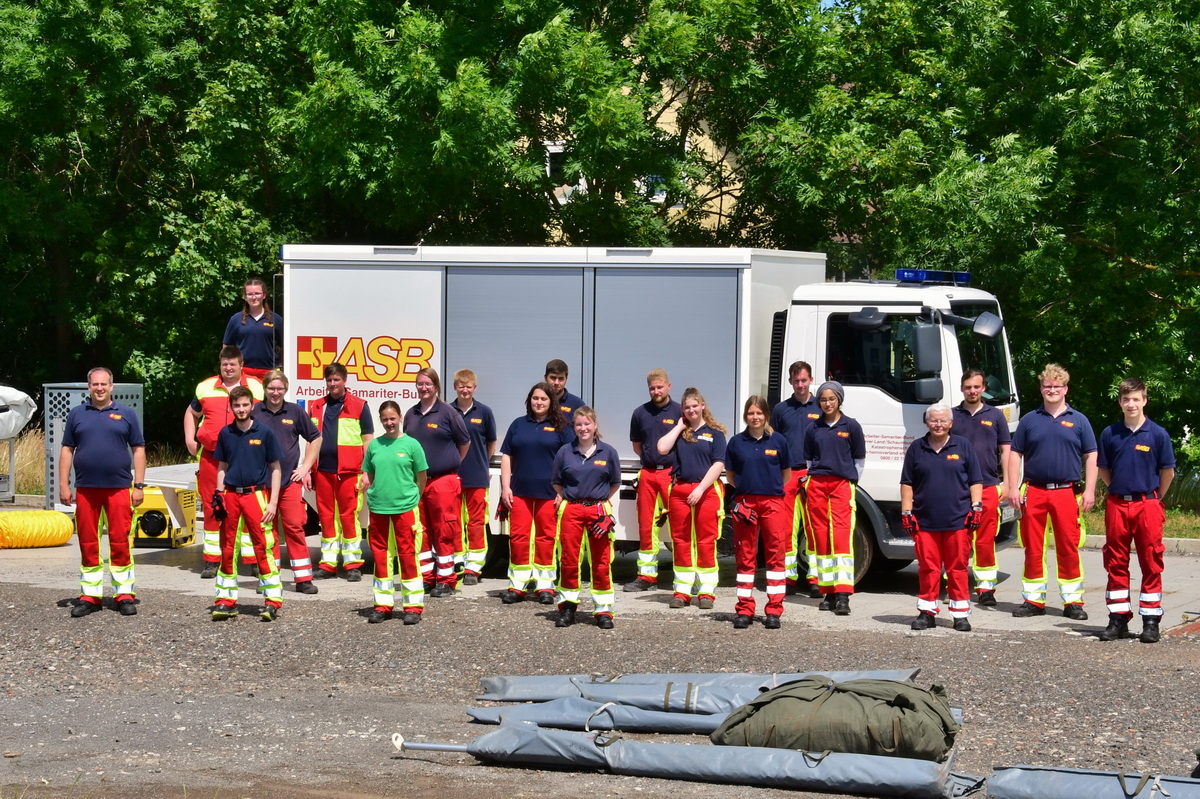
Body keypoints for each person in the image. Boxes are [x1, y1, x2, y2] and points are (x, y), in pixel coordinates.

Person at [1006, 363, 1097, 620]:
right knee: (1033, 547)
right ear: (1041, 389)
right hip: (1033, 491)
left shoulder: (1079, 420)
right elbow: (1015, 454)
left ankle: (1073, 602)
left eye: (1057, 386)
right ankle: (1033, 601)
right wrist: (1013, 486)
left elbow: (1091, 456)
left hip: (1066, 492)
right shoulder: (1029, 420)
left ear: (1065, 388)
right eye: (1047, 386)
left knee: (1068, 547)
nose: (1052, 390)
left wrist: (1090, 490)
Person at [59, 367, 147, 617]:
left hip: (119, 488)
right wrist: (64, 484)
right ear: (89, 387)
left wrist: (139, 485)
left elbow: (138, 449)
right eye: (95, 384)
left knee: (120, 541)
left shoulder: (126, 414)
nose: (99, 388)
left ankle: (124, 594)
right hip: (86, 488)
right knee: (88, 542)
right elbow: (67, 449)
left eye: (104, 384)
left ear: (112, 386)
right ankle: (90, 596)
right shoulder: (77, 414)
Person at [1097, 378, 1175, 643]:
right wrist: (1119, 489)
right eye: (1126, 399)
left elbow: (1168, 472)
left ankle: (1150, 620)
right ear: (1120, 402)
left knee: (1151, 561)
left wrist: (1155, 497)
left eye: (1136, 399)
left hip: (1148, 504)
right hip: (1118, 504)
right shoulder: (1110, 433)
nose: (1131, 404)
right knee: (1115, 562)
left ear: (1144, 400)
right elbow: (1104, 470)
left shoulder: (1158, 434)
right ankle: (1118, 619)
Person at [901, 404, 983, 632]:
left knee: (957, 568)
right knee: (928, 568)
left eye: (943, 421)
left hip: (957, 520)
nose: (938, 425)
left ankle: (960, 615)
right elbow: (907, 483)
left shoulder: (963, 446)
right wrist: (906, 512)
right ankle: (927, 613)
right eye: (934, 421)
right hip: (925, 521)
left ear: (951, 423)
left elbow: (976, 480)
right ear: (927, 423)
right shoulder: (917, 448)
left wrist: (977, 507)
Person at [184, 346, 264, 578]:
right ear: (220, 365)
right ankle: (212, 560)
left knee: (251, 508)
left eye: (233, 364)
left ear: (241, 365)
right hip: (211, 456)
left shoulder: (257, 387)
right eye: (224, 364)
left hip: (246, 456)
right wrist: (190, 439)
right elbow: (191, 413)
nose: (228, 368)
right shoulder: (205, 386)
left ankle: (254, 561)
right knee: (212, 507)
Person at [211, 386, 283, 621]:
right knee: (227, 548)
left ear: (252, 406)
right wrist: (218, 494)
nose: (240, 409)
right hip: (231, 496)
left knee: (263, 547)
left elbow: (276, 469)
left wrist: (272, 503)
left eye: (244, 405)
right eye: (236, 405)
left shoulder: (265, 432)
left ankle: (272, 601)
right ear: (231, 407)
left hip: (256, 496)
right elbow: (221, 467)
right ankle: (225, 601)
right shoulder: (225, 433)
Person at [499, 382, 574, 604]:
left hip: (549, 494)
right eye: (535, 398)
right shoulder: (518, 425)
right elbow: (506, 456)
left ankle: (545, 586)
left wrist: (563, 490)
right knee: (519, 538)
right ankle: (518, 585)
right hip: (520, 492)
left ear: (551, 402)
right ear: (529, 401)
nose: (538, 402)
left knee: (546, 538)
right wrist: (505, 488)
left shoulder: (562, 427)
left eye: (543, 399)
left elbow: (571, 459)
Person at [251, 370, 322, 594]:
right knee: (266, 531)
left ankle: (303, 579)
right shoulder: (254, 411)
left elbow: (316, 437)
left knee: (294, 528)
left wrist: (305, 467)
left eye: (279, 388)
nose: (275, 392)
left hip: (289, 481)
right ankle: (269, 579)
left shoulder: (294, 411)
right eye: (271, 388)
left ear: (286, 389)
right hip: (262, 482)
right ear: (265, 388)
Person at [656, 387, 727, 610]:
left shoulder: (715, 433)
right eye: (686, 407)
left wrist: (700, 489)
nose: (691, 410)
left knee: (706, 542)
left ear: (702, 406)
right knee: (681, 542)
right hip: (679, 492)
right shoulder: (680, 433)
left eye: (694, 406)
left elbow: (719, 464)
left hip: (706, 492)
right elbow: (661, 447)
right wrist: (678, 427)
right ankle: (682, 590)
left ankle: (706, 591)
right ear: (682, 410)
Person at [552, 407, 622, 629]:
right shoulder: (565, 451)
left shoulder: (608, 452)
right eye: (579, 424)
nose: (583, 428)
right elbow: (556, 482)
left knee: (601, 561)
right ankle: (568, 607)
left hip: (598, 511)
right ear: (574, 427)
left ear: (595, 425)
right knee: (569, 560)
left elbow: (615, 483)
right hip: (572, 509)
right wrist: (573, 500)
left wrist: (598, 501)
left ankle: (603, 610)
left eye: (587, 424)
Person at [725, 396, 792, 629]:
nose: (755, 417)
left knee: (775, 553)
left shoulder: (779, 441)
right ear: (746, 416)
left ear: (766, 415)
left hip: (773, 501)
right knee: (745, 555)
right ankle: (744, 609)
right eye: (751, 413)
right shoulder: (735, 442)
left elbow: (786, 474)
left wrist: (769, 490)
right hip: (745, 503)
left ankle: (774, 610)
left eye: (759, 413)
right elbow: (731, 477)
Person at [404, 368, 471, 595]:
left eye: (428, 384)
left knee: (444, 529)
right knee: (421, 531)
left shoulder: (448, 412)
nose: (424, 388)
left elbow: (464, 443)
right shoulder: (411, 414)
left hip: (443, 481)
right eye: (420, 384)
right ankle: (427, 576)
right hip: (417, 482)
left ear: (436, 386)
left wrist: (449, 463)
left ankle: (446, 579)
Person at [361, 401, 429, 625]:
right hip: (379, 509)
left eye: (392, 418)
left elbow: (422, 477)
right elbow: (369, 474)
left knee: (408, 557)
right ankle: (382, 606)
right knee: (381, 558)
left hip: (405, 510)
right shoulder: (374, 446)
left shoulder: (412, 445)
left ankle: (413, 607)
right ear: (381, 420)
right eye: (385, 419)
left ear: (400, 417)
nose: (389, 423)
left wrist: (413, 499)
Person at [802, 381, 866, 616]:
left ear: (839, 399)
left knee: (841, 537)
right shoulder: (813, 428)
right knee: (820, 538)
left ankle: (843, 594)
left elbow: (859, 460)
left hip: (841, 485)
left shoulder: (851, 426)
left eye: (831, 399)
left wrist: (849, 482)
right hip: (817, 484)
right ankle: (827, 592)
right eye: (823, 399)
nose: (827, 403)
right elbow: (809, 460)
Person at [308, 362, 374, 581]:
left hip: (349, 472)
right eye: (329, 380)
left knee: (348, 517)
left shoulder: (359, 405)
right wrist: (307, 468)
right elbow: (311, 440)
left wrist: (367, 471)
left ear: (345, 380)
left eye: (336, 379)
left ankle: (352, 563)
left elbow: (367, 441)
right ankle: (327, 563)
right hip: (323, 472)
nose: (333, 384)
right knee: (326, 518)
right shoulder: (317, 405)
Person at [952, 369, 1012, 605]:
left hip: (988, 485)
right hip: (958, 487)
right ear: (962, 388)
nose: (972, 391)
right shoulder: (952, 416)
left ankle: (986, 589)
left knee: (985, 540)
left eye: (977, 386)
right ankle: (955, 586)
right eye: (968, 387)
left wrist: (1008, 482)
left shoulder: (996, 415)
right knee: (958, 539)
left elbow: (1006, 450)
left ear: (984, 388)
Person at [625, 368, 681, 593]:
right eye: (652, 388)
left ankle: (684, 575)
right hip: (648, 473)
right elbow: (637, 446)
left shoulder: (680, 411)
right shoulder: (640, 413)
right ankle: (646, 577)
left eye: (660, 387)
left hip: (671, 474)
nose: (656, 391)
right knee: (646, 525)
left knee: (679, 524)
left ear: (669, 386)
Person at [770, 360, 820, 598]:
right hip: (788, 474)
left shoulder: (821, 406)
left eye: (804, 380)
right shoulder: (781, 409)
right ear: (790, 381)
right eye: (796, 380)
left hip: (813, 475)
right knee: (786, 529)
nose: (800, 384)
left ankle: (815, 579)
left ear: (811, 380)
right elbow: (774, 442)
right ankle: (788, 578)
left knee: (814, 528)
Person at [452, 369, 497, 585]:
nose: (465, 389)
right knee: (453, 521)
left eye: (469, 386)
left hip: (477, 475)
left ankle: (474, 567)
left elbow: (491, 442)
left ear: (475, 388)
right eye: (461, 385)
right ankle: (457, 563)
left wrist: (481, 461)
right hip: (452, 476)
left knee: (476, 522)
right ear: (455, 387)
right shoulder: (447, 411)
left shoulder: (485, 412)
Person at [222, 278, 283, 381]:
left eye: (257, 293)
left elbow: (284, 346)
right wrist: (230, 367)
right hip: (242, 371)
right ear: (245, 297)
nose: (254, 297)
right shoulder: (236, 319)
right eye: (250, 294)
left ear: (264, 295)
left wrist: (280, 366)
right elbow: (226, 346)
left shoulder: (275, 319)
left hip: (268, 372)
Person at [544, 359, 585, 423]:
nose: (556, 383)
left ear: (566, 379)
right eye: (553, 378)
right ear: (545, 378)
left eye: (561, 379)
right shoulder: (538, 402)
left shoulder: (577, 404)